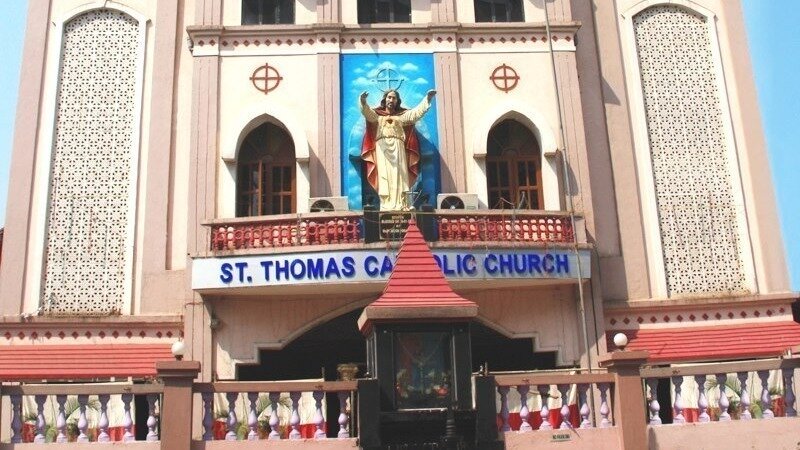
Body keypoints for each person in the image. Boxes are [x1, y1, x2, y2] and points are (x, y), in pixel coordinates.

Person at [360, 89, 436, 210]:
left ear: (397, 101)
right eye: (389, 97)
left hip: (398, 147)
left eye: (394, 98)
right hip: (382, 148)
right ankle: (386, 205)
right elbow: (367, 113)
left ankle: (402, 204)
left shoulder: (401, 117)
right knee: (384, 176)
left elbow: (415, 114)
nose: (391, 100)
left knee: (400, 175)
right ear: (385, 99)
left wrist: (427, 99)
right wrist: (363, 101)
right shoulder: (377, 116)